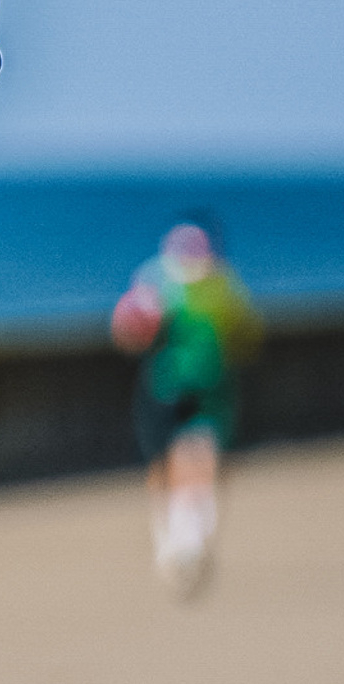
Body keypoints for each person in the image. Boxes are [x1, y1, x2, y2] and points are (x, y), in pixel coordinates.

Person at [111, 220, 262, 595]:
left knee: (192, 460)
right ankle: (178, 537)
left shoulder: (207, 284)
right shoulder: (170, 282)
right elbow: (248, 335)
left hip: (196, 389)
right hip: (169, 388)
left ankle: (185, 539)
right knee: (173, 465)